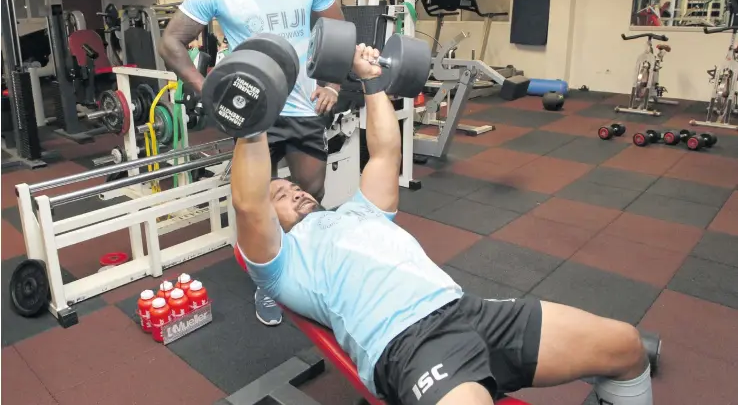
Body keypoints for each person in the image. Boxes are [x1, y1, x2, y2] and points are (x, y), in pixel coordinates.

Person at [231, 44, 654, 405]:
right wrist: (251, 119)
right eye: (281, 197)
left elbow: (383, 156)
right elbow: (249, 206)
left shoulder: (359, 211)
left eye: (293, 187)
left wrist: (371, 79)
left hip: (471, 311)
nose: (296, 192)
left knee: (626, 346)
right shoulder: (282, 265)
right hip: (409, 345)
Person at [159, 0, 344, 327]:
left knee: (309, 193)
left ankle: (310, 270)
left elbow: (337, 30)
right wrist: (207, 91)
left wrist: (333, 84)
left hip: (303, 104)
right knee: (253, 203)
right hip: (254, 109)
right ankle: (268, 282)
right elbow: (171, 42)